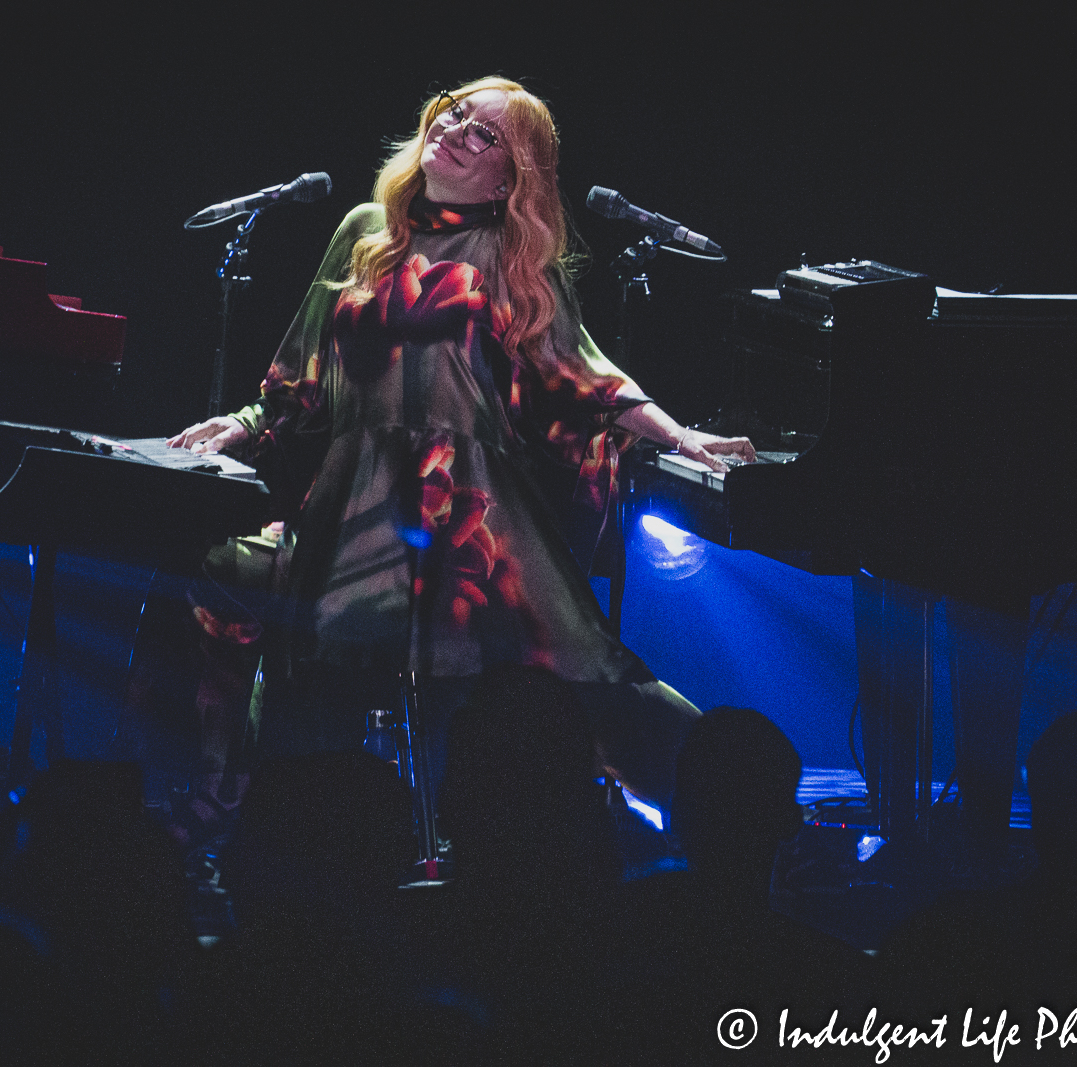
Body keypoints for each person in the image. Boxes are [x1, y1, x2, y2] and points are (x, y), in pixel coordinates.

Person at [170, 77, 753, 806]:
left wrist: (678, 434)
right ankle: (230, 831)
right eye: (454, 112)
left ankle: (733, 811)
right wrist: (244, 424)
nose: (454, 128)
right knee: (275, 660)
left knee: (582, 683)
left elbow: (587, 374)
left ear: (512, 177)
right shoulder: (363, 231)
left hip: (470, 522)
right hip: (352, 512)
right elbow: (300, 378)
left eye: (485, 133)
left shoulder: (512, 258)